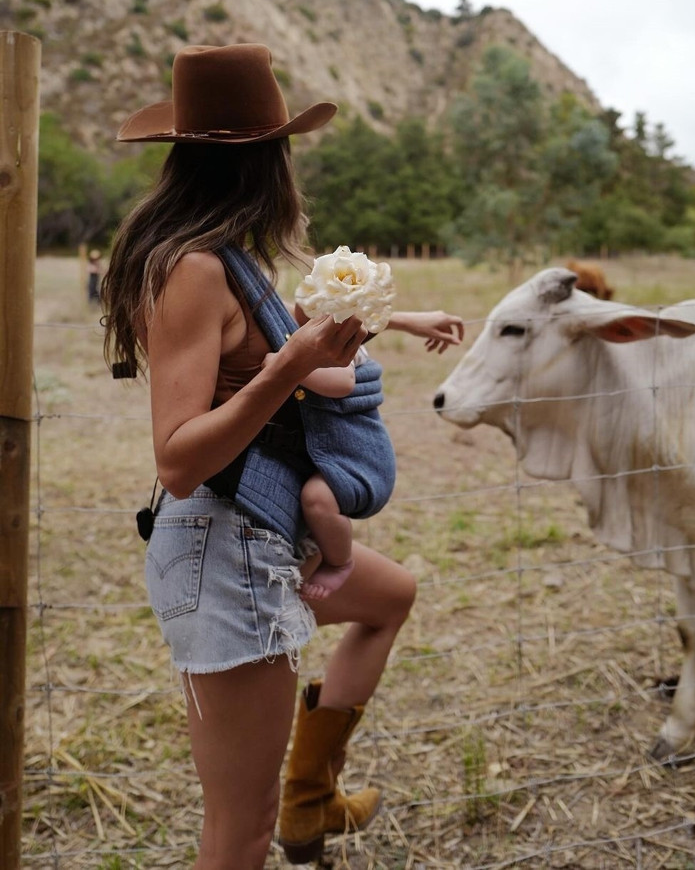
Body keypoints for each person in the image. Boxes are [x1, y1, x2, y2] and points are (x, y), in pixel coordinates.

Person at [101, 43, 464, 870]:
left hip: (258, 530)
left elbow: (289, 316)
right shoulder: (192, 269)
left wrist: (399, 321)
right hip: (223, 548)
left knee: (389, 595)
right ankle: (292, 808)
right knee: (239, 828)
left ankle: (313, 798)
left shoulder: (227, 255)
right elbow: (176, 460)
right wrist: (290, 369)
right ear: (269, 159)